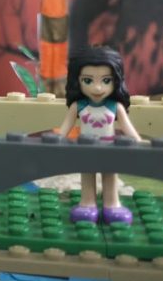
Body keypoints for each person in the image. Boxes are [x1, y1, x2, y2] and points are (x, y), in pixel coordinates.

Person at [53, 46, 141, 225]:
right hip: (86, 148)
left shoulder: (115, 107)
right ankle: (87, 203)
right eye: (88, 80)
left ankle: (112, 204)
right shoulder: (78, 106)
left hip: (109, 148)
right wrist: (56, 140)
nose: (97, 87)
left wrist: (138, 142)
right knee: (87, 176)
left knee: (110, 176)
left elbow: (127, 128)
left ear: (116, 80)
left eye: (106, 80)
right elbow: (65, 128)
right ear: (77, 81)